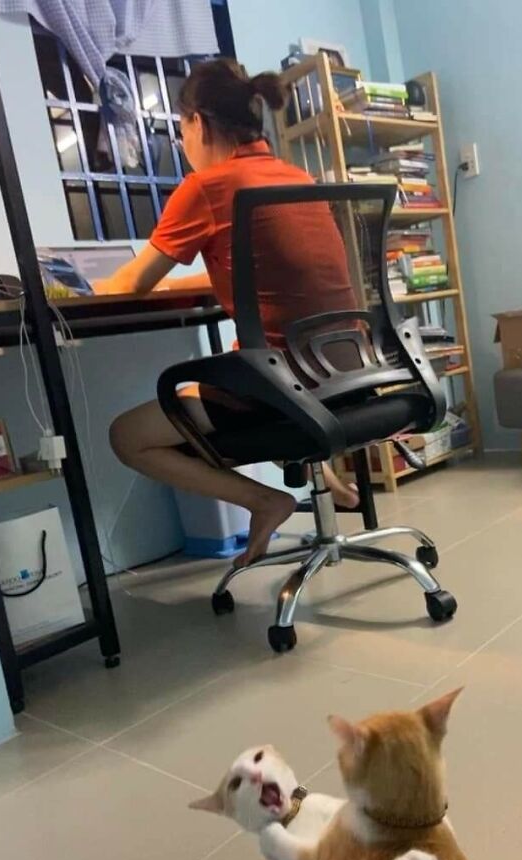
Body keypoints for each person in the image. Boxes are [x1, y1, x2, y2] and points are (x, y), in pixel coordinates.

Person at [95, 59, 360, 567]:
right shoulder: (295, 177)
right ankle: (325, 479)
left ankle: (265, 500)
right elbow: (266, 272)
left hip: (282, 386)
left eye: (180, 132)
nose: (183, 144)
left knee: (126, 436)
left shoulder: (209, 187)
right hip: (346, 368)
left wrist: (62, 292)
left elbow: (129, 284)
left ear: (196, 122)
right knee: (252, 370)